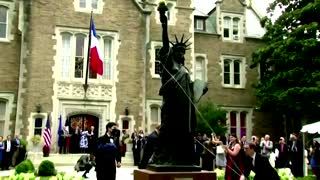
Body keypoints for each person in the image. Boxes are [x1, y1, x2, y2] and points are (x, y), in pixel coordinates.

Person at [153, 3, 208, 165]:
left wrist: (200, 89)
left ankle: (183, 158)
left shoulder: (184, 69)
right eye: (178, 51)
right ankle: (165, 157)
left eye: (183, 51)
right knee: (169, 130)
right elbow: (164, 44)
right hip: (172, 105)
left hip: (185, 108)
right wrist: (164, 23)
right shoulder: (170, 65)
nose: (181, 53)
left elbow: (190, 88)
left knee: (185, 131)